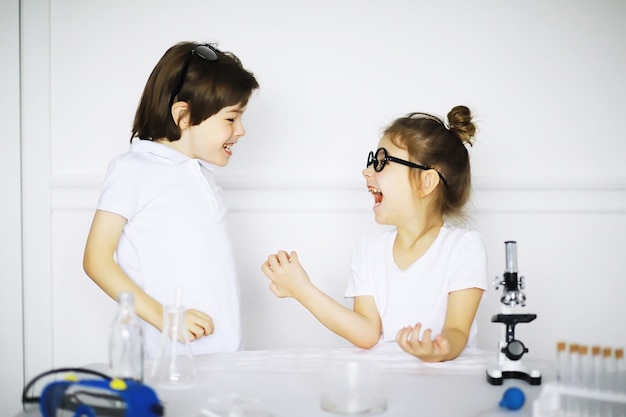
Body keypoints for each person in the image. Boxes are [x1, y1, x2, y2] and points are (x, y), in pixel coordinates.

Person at [261, 106, 488, 362]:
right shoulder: (369, 250)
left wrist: (438, 348)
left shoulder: (463, 247)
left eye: (382, 162)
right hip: (388, 379)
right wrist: (302, 290)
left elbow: (458, 331)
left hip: (446, 382)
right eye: (371, 161)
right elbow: (367, 333)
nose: (367, 171)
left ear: (426, 182)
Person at [83, 41, 259, 358]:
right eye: (231, 119)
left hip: (225, 352)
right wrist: (166, 318)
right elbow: (96, 260)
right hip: (171, 360)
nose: (241, 130)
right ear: (184, 116)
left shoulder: (200, 173)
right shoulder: (132, 170)